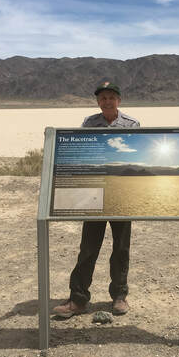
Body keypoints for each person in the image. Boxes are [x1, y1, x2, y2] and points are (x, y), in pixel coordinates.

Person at [52, 81, 140, 319]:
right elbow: (81, 152)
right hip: (94, 193)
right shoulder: (89, 123)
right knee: (88, 248)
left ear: (119, 100)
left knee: (121, 248)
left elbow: (136, 152)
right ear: (98, 102)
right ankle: (78, 299)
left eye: (111, 97)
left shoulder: (131, 125)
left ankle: (120, 297)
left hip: (122, 195)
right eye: (102, 98)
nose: (107, 101)